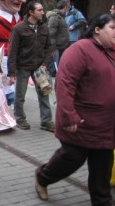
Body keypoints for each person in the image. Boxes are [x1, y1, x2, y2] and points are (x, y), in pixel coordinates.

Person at [35, 13, 115, 206]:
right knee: (72, 157)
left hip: (106, 125)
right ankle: (43, 177)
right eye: (113, 28)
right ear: (97, 29)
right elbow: (64, 85)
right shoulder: (80, 50)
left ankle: (102, 201)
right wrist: (69, 116)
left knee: (102, 167)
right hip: (80, 122)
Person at [8, 1, 55, 132]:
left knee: (44, 94)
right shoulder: (19, 28)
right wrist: (11, 73)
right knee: (20, 96)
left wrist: (45, 64)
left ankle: (46, 121)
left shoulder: (44, 27)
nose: (42, 12)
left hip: (39, 67)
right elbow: (12, 51)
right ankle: (20, 119)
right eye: (39, 10)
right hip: (23, 67)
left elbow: (49, 47)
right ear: (31, 12)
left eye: (42, 10)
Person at [46, 0, 70, 76]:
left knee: (59, 67)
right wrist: (52, 48)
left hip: (61, 46)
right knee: (54, 69)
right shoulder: (55, 17)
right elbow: (51, 34)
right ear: (65, 7)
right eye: (68, 7)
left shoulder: (60, 17)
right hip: (56, 47)